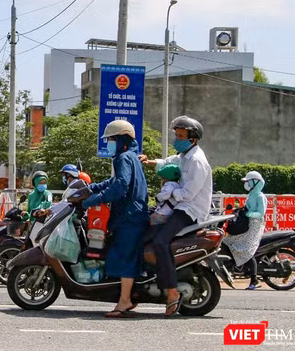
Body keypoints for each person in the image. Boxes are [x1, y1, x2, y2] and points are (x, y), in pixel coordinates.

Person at [138, 115, 213, 316]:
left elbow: (188, 194)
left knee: (161, 241)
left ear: (192, 139)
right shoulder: (183, 156)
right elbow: (166, 162)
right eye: (176, 135)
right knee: (143, 231)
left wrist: (169, 192)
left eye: (180, 136)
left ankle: (172, 292)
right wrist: (147, 161)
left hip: (189, 210)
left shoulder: (197, 161)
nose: (176, 139)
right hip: (176, 206)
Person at [77, 120, 149, 318]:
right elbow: (113, 181)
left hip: (129, 218)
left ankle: (124, 301)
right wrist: (91, 188)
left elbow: (120, 187)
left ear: (120, 139)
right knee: (121, 255)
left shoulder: (123, 158)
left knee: (123, 257)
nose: (108, 143)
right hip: (133, 216)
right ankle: (127, 296)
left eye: (110, 139)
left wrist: (93, 200)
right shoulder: (131, 157)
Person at [223, 171, 267, 290]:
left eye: (248, 181)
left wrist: (249, 213)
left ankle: (254, 279)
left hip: (254, 226)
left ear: (255, 182)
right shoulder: (251, 194)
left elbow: (261, 213)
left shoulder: (260, 196)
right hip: (247, 224)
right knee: (228, 241)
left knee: (246, 251)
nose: (246, 184)